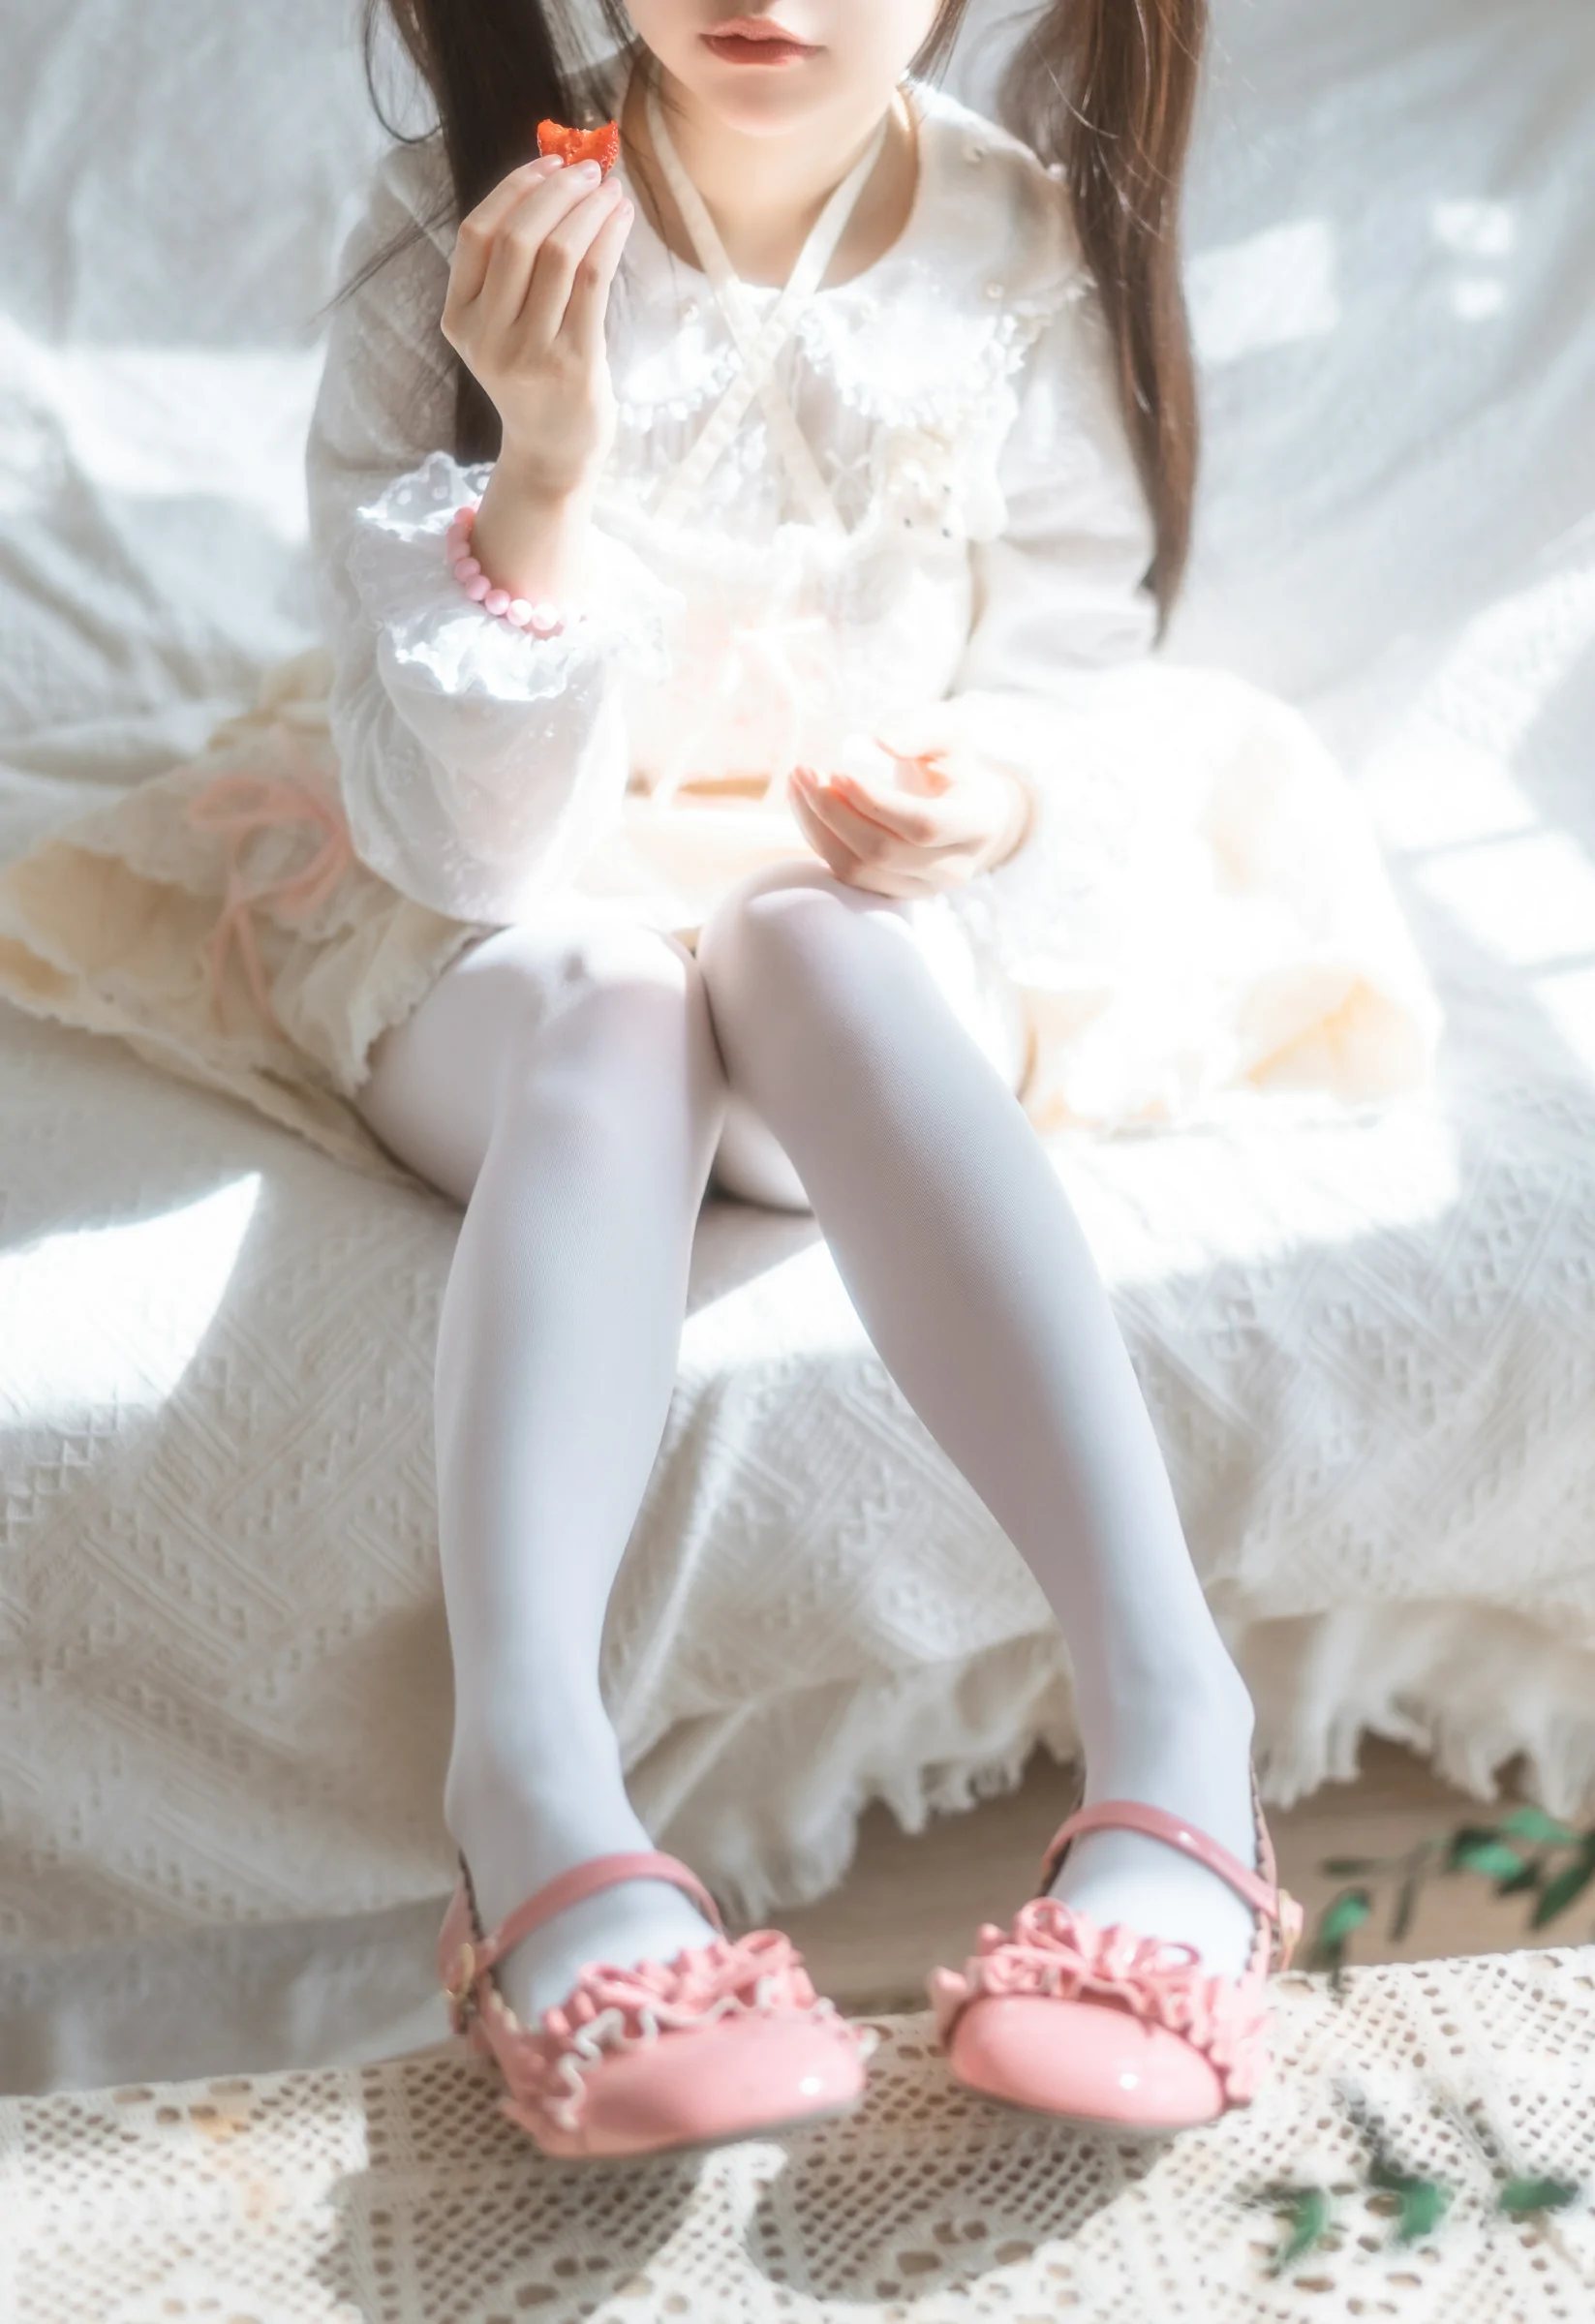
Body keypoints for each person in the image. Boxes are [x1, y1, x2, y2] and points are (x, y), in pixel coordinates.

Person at [0, 0, 1438, 2157]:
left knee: (795, 940)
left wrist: (983, 790)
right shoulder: (467, 228)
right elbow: (469, 857)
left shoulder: (1012, 240)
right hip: (508, 932)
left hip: (845, 939)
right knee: (611, 994)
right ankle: (533, 1799)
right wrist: (544, 464)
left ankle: (1174, 1727)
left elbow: (1070, 654)